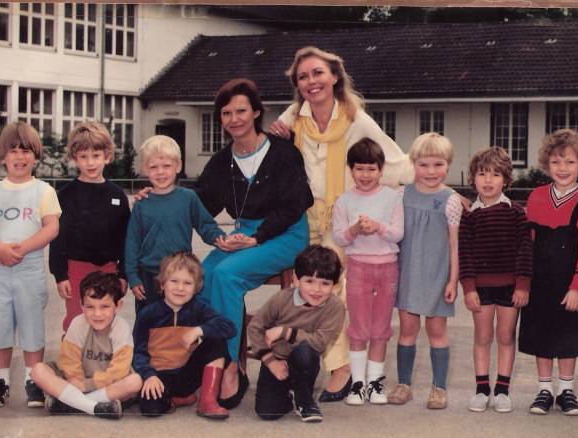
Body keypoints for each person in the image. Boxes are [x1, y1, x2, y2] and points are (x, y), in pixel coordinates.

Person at [270, 45, 414, 401]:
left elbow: (395, 164)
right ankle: (305, 363)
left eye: (318, 73)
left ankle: (343, 369)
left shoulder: (356, 119)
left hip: (342, 214)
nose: (311, 81)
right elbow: (267, 156)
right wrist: (276, 137)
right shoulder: (294, 116)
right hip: (306, 214)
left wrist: (434, 189)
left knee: (332, 289)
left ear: (334, 76)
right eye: (303, 76)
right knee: (305, 291)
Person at [193, 78, 312, 408]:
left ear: (256, 112)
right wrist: (218, 237)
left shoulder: (283, 152)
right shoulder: (220, 162)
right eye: (226, 112)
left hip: (285, 233)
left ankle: (231, 367)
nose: (234, 118)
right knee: (202, 277)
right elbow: (198, 205)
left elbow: (294, 206)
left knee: (227, 275)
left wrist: (257, 237)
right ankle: (210, 365)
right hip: (244, 234)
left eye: (241, 110)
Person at [518, 129, 578, 416]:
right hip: (540, 281)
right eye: (556, 162)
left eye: (569, 162)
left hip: (570, 284)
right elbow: (527, 243)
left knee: (568, 337)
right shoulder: (537, 197)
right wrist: (524, 282)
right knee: (541, 334)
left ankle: (566, 390)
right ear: (546, 164)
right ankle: (544, 389)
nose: (563, 169)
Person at [0, 121, 61, 409]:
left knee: (31, 324)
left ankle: (33, 379)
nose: (19, 156)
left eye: (25, 150)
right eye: (13, 151)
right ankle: (1, 381)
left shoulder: (44, 191)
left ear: (35, 155)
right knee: (1, 325)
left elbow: (51, 228)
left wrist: (22, 249)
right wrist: (1, 248)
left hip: (30, 265)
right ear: (3, 156)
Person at [390, 133, 463, 409]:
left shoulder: (451, 200)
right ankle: (404, 384)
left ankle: (439, 388)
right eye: (423, 165)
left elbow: (454, 245)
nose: (430, 171)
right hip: (407, 273)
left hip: (436, 276)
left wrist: (453, 280)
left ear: (448, 165)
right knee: (407, 330)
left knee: (437, 332)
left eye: (438, 164)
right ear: (413, 164)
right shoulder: (401, 194)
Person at [458, 146, 532, 414]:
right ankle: (481, 389)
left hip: (511, 288)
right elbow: (464, 254)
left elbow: (525, 250)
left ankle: (502, 390)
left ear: (506, 179)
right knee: (483, 335)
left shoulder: (516, 212)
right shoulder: (469, 215)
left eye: (495, 174)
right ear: (473, 178)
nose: (488, 180)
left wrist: (523, 284)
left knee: (505, 335)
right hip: (480, 288)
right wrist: (468, 288)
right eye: (481, 174)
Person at [330, 138, 403, 406]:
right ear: (351, 170)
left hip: (387, 267)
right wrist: (355, 230)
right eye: (359, 169)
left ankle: (375, 383)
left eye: (371, 169)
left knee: (381, 328)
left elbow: (398, 233)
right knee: (359, 327)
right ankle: (357, 384)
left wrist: (379, 227)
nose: (365, 175)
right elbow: (339, 238)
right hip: (358, 268)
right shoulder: (344, 201)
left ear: (381, 170)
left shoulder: (392, 197)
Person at [125, 135, 224, 314]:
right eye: (153, 167)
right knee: (149, 325)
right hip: (149, 275)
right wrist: (133, 277)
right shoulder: (141, 203)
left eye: (166, 166)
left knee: (181, 324)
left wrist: (222, 239)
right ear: (145, 169)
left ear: (178, 166)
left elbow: (206, 226)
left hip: (181, 274)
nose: (160, 172)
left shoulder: (189, 198)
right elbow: (132, 243)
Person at [132, 252, 237, 419]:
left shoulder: (198, 308)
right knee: (150, 409)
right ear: (162, 284)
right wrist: (148, 375)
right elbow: (138, 352)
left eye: (187, 283)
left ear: (196, 287)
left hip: (187, 373)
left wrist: (199, 330)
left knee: (216, 339)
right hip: (159, 376)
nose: (180, 288)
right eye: (174, 281)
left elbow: (229, 327)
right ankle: (177, 399)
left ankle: (207, 401)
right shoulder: (148, 314)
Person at [249, 245, 346, 422]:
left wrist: (286, 332)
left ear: (335, 285)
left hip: (303, 359)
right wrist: (270, 362)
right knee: (267, 412)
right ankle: (289, 395)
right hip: (277, 359)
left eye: (325, 283)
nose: (316, 290)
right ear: (295, 279)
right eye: (309, 281)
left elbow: (319, 342)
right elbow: (255, 327)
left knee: (306, 352)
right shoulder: (282, 299)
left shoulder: (335, 307)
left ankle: (303, 397)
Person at [49, 121, 130, 333]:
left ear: (107, 155)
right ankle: (72, 363)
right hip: (76, 269)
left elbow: (125, 239)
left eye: (96, 156)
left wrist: (123, 274)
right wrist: (60, 275)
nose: (90, 162)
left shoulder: (117, 195)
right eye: (84, 157)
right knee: (76, 319)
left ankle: (102, 362)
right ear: (75, 158)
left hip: (109, 269)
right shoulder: (65, 195)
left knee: (105, 318)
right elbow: (57, 239)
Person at [31, 272, 137, 418]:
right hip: (74, 382)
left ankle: (70, 404)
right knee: (38, 370)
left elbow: (118, 370)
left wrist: (87, 385)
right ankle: (95, 407)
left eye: (104, 306)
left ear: (118, 306)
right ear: (81, 305)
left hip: (105, 384)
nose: (97, 314)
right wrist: (76, 381)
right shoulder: (78, 324)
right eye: (90, 307)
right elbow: (68, 360)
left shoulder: (121, 328)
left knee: (135, 382)